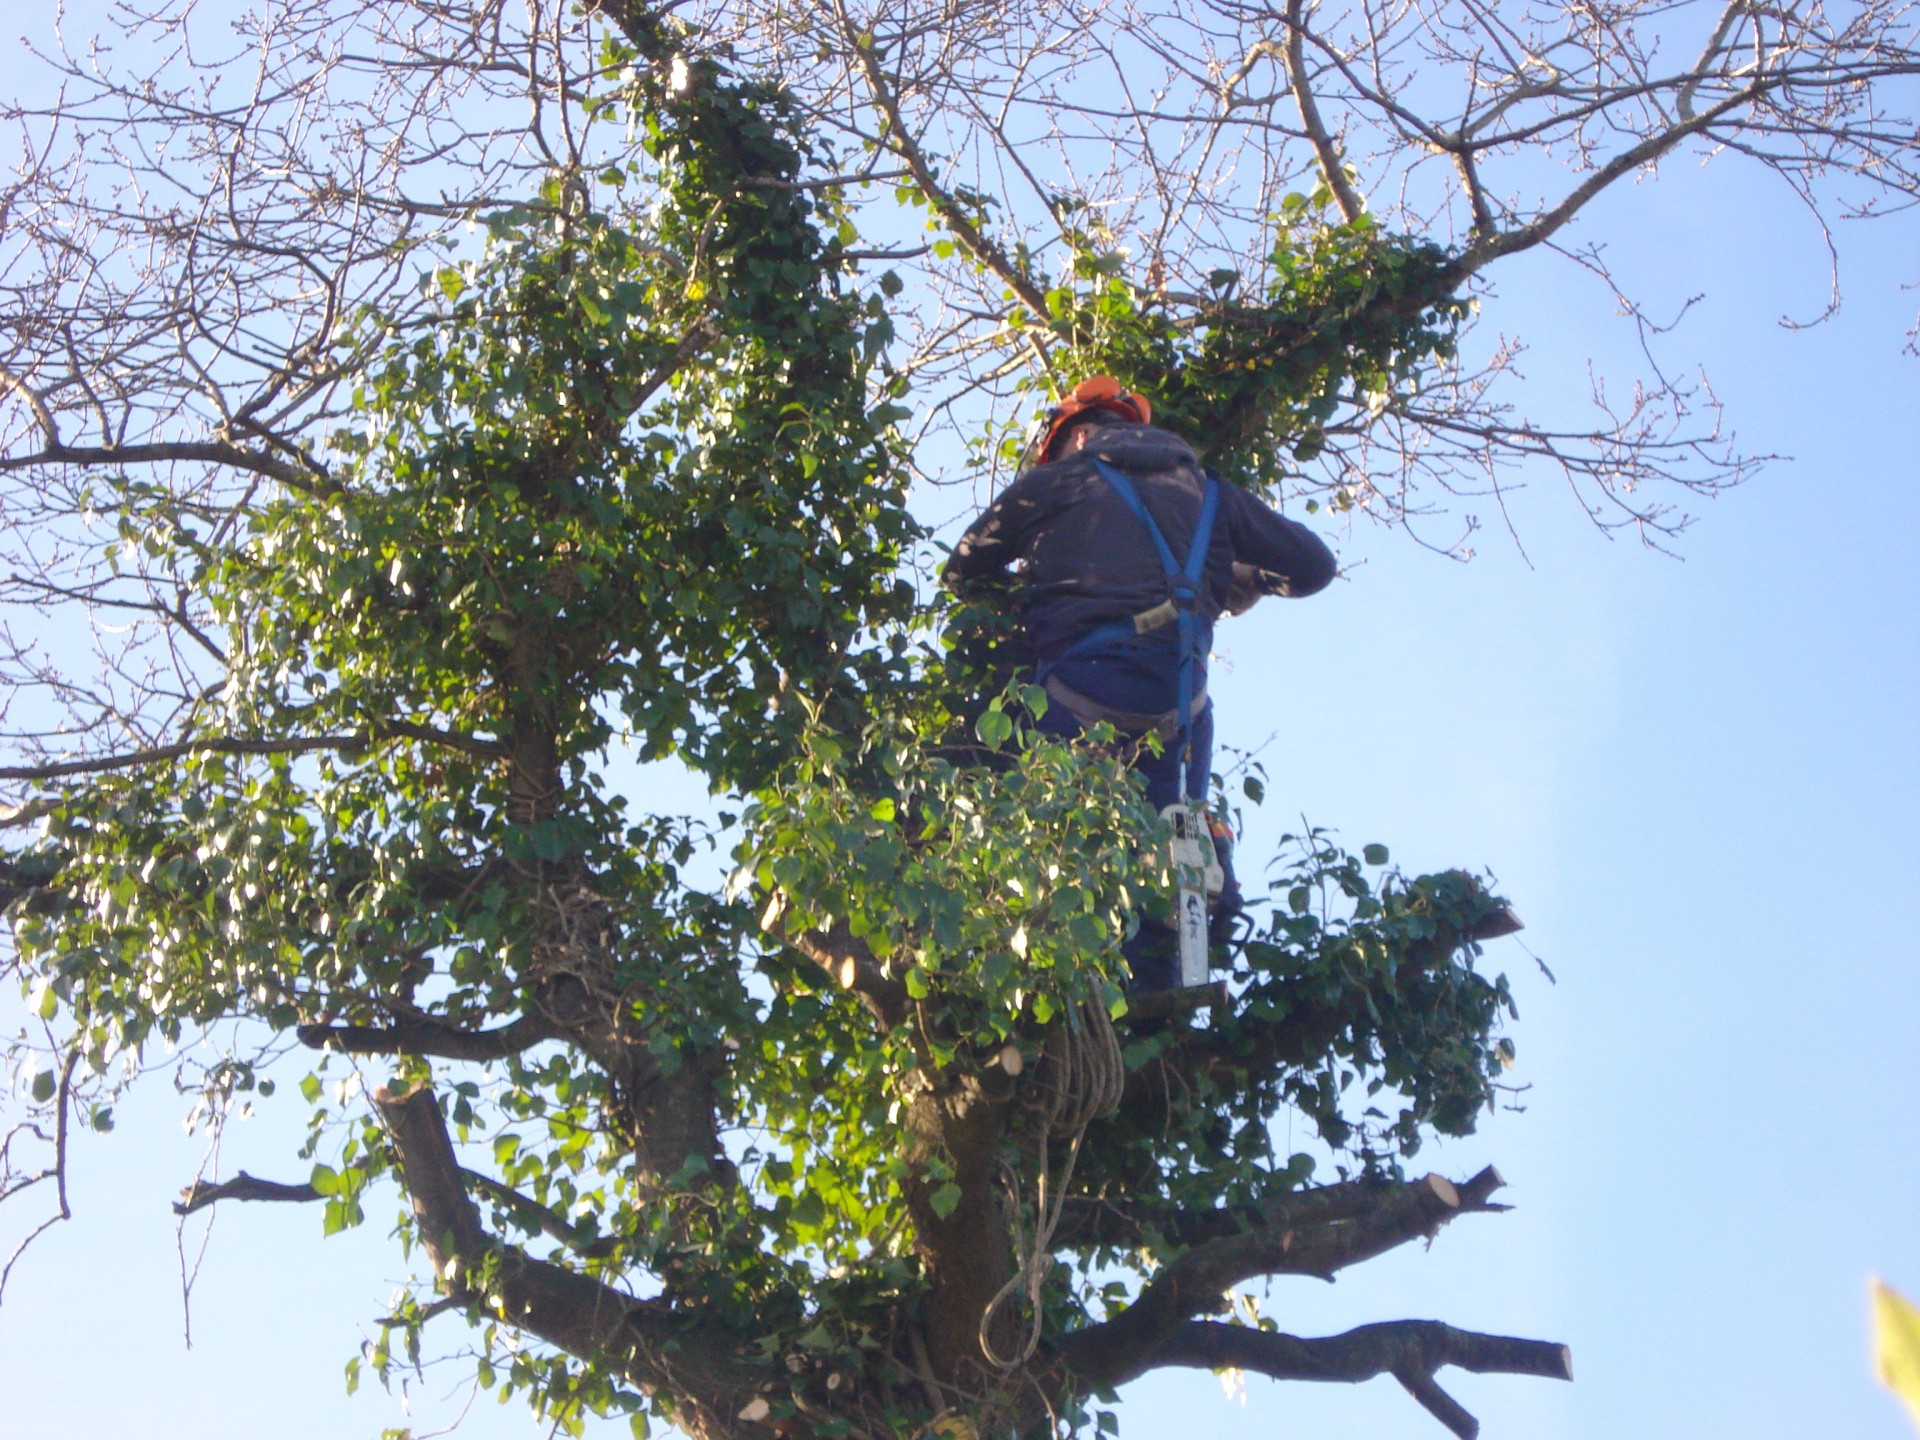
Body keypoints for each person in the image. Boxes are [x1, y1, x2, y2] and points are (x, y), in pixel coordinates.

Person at [941, 376, 1337, 990]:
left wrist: (1030, 591)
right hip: (1174, 712)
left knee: (1034, 836)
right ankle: (1180, 933)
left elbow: (963, 567)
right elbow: (1315, 567)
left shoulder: (1053, 483)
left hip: (1075, 700)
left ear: (1073, 434)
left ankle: (1045, 972)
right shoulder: (1211, 496)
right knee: (1172, 836)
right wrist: (1238, 581)